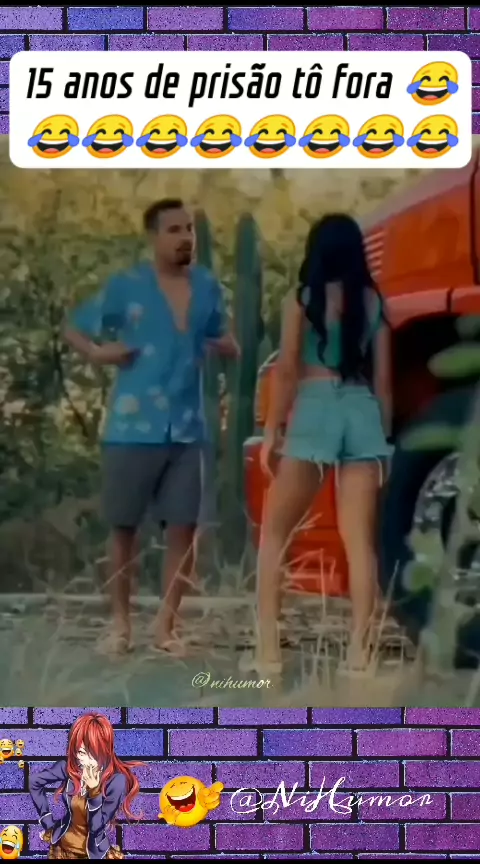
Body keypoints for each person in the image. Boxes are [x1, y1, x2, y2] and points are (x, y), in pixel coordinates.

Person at [64, 199, 239, 655]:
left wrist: (225, 345)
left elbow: (223, 335)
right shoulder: (127, 286)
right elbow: (75, 328)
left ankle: (166, 628)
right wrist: (99, 353)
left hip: (189, 428)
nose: (185, 238)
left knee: (184, 529)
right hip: (133, 426)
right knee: (123, 528)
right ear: (153, 237)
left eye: (189, 229)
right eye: (174, 230)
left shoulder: (207, 286)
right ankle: (120, 626)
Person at [254, 213, 392, 674]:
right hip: (361, 410)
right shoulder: (373, 302)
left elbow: (287, 370)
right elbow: (383, 382)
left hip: (315, 410)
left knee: (276, 532)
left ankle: (268, 651)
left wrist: (273, 429)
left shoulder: (302, 299)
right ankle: (360, 653)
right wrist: (383, 439)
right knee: (359, 542)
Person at [29, 712, 142, 859]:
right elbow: (34, 782)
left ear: (104, 750)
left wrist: (94, 792)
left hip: (92, 854)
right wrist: (47, 821)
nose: (84, 760)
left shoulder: (116, 781)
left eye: (92, 753)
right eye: (81, 753)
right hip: (61, 850)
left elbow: (96, 828)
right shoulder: (70, 769)